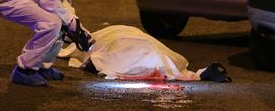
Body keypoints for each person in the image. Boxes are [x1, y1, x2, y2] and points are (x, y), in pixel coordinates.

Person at [58, 25, 232, 83]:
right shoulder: (176, 64)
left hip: (128, 40)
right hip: (128, 37)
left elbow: (96, 56)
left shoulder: (176, 63)